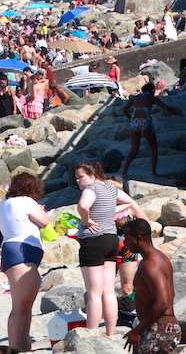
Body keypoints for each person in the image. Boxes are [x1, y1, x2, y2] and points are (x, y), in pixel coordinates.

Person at [75, 161, 136, 337]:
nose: (78, 181)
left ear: (92, 175)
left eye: (80, 177)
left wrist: (87, 221)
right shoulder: (110, 188)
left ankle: (92, 335)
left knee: (94, 294)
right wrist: (112, 212)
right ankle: (110, 334)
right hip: (110, 240)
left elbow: (82, 206)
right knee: (108, 291)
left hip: (93, 241)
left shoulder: (91, 189)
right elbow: (129, 201)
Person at [0, 172, 48, 352]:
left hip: (11, 250)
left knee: (25, 305)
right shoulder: (27, 202)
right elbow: (44, 222)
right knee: (20, 306)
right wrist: (40, 209)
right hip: (23, 251)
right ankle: (14, 348)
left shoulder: (5, 202)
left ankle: (25, 344)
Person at [122, 219, 181, 354]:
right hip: (155, 326)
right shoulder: (155, 258)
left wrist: (137, 330)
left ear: (138, 238)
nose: (124, 242)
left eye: (127, 238)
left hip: (161, 328)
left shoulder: (152, 264)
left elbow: (162, 303)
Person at [121, 83, 179, 181]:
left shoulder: (135, 98)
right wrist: (175, 113)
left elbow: (124, 109)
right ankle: (153, 171)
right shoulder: (152, 98)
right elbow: (166, 107)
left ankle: (124, 171)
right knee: (153, 146)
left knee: (134, 150)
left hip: (134, 123)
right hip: (145, 122)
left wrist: (130, 118)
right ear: (152, 90)